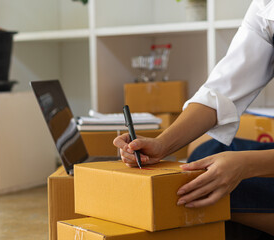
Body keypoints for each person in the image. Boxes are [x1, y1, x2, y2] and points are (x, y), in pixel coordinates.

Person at [113, 0, 274, 237]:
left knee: (206, 188)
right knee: (205, 154)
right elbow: (222, 91)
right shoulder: (265, 7)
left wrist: (246, 165)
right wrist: (162, 144)